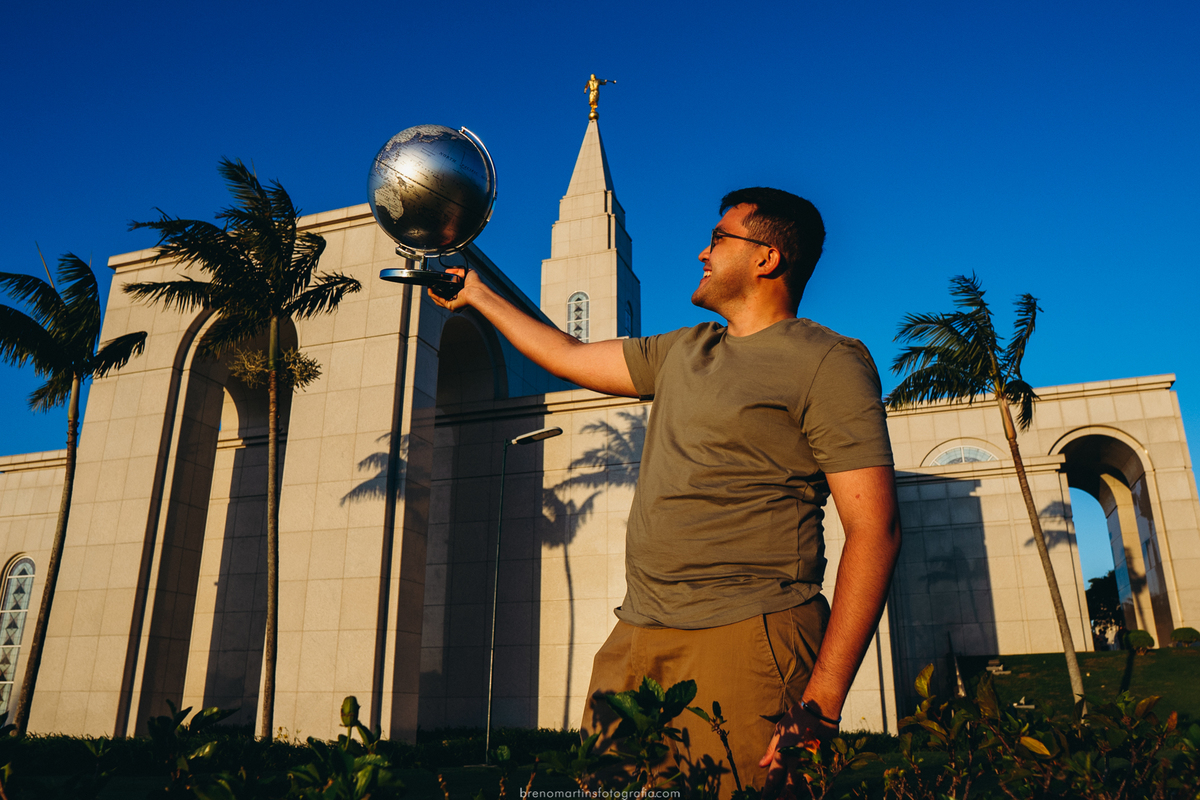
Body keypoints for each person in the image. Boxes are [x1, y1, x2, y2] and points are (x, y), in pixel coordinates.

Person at [429, 187, 901, 798]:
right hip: (636, 635)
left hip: (748, 634)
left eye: (719, 238)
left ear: (766, 259)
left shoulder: (828, 361)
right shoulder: (683, 349)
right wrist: (476, 294)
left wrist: (821, 705)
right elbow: (567, 353)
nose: (702, 252)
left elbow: (875, 531)